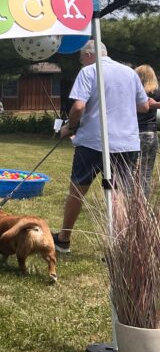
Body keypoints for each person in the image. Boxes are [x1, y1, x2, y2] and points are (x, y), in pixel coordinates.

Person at [54, 41, 149, 253]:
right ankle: (120, 246)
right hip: (126, 142)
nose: (80, 62)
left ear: (89, 55)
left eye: (81, 58)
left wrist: (70, 127)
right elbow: (143, 106)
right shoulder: (130, 73)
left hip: (93, 141)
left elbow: (79, 106)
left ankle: (64, 238)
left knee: (77, 190)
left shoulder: (88, 71)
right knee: (119, 193)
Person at [135, 64, 160, 195]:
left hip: (136, 133)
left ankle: (130, 202)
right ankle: (143, 202)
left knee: (132, 170)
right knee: (147, 172)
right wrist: (156, 105)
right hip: (151, 133)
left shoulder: (135, 92)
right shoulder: (156, 91)